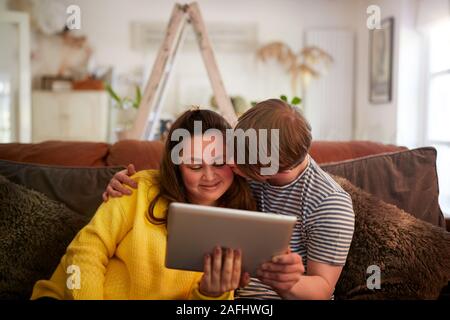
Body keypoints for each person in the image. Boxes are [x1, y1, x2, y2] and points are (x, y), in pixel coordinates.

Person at [105, 99, 355, 300]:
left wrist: (283, 280)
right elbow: (192, 168)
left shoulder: (330, 204)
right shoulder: (251, 163)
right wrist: (136, 181)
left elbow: (322, 289)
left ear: (281, 168)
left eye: (244, 162)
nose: (231, 164)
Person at [31, 109, 254, 300]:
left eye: (219, 162)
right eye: (194, 166)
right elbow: (86, 249)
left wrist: (211, 294)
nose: (209, 175)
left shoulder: (240, 218)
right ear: (176, 167)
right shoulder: (139, 187)